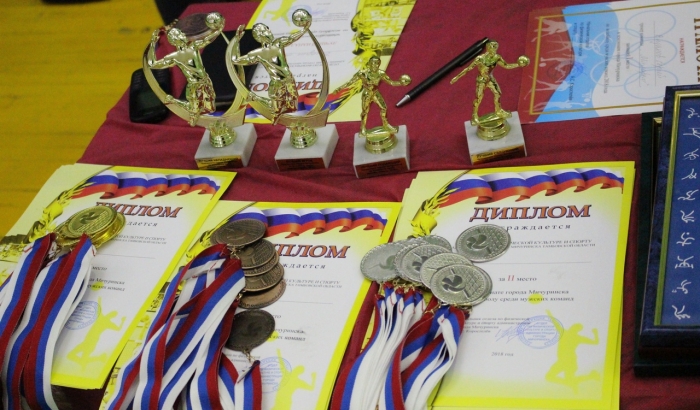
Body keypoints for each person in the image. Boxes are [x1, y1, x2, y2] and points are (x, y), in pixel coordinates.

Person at [147, 12, 225, 126]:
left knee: (211, 108)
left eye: (180, 34)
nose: (182, 36)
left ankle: (180, 105)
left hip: (205, 82)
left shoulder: (193, 47)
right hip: (194, 86)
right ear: (174, 41)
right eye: (178, 36)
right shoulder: (175, 56)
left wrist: (220, 27)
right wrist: (153, 43)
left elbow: (209, 39)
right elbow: (153, 64)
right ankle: (173, 101)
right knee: (194, 110)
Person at [229, 19, 310, 124]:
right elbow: (235, 60)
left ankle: (288, 120)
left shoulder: (278, 43)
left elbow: (291, 38)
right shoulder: (258, 53)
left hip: (289, 80)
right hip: (277, 84)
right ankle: (255, 98)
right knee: (276, 110)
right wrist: (236, 40)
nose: (269, 32)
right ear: (259, 36)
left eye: (268, 29)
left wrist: (304, 29)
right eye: (265, 30)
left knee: (293, 107)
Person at [450, 41, 529, 126]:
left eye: (495, 47)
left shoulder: (497, 57)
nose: (494, 49)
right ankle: (474, 115)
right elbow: (468, 68)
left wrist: (518, 65)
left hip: (490, 79)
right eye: (492, 47)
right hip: (481, 80)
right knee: (479, 98)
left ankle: (498, 110)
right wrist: (457, 77)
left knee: (498, 93)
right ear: (488, 48)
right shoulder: (480, 58)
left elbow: (506, 66)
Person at [339, 56, 410, 136]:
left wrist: (401, 83)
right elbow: (350, 82)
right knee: (365, 111)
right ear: (369, 64)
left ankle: (386, 125)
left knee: (384, 108)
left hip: (375, 93)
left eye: (377, 63)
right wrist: (339, 88)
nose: (375, 65)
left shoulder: (381, 73)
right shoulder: (362, 73)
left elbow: (391, 82)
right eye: (373, 63)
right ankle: (363, 128)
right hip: (367, 94)